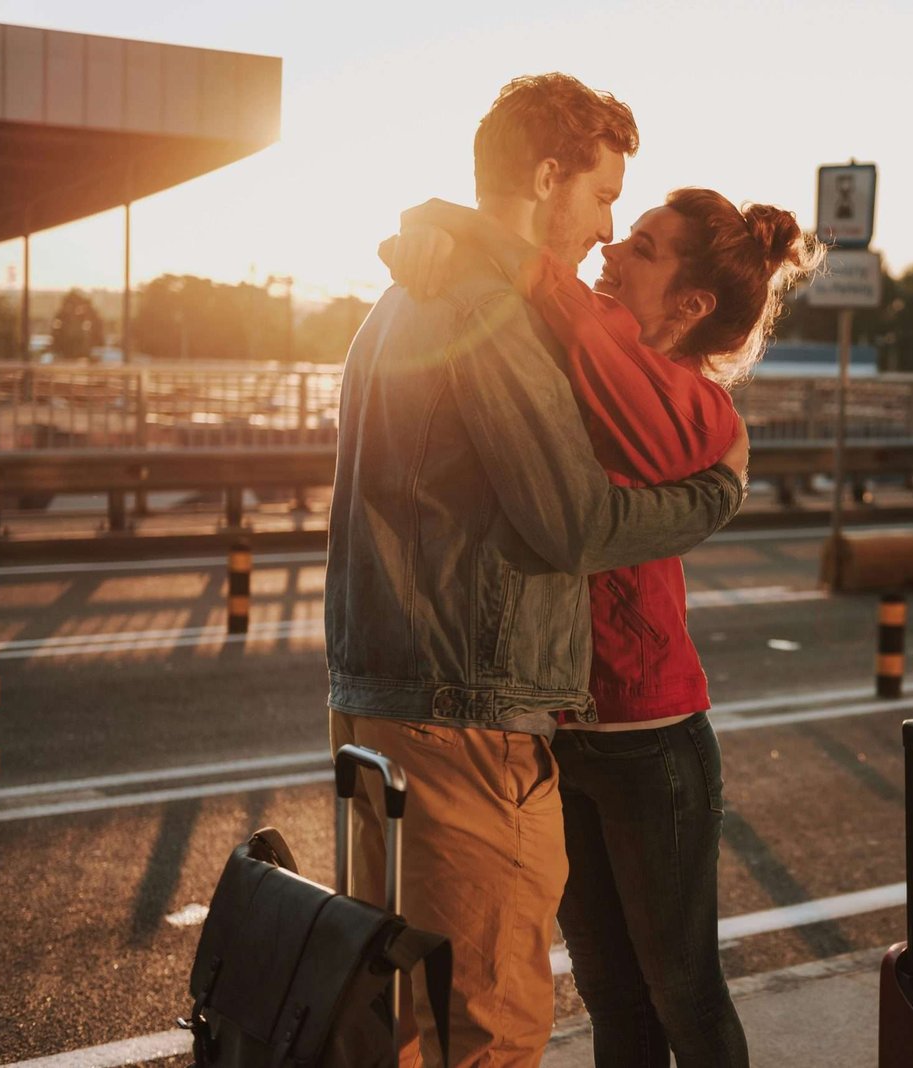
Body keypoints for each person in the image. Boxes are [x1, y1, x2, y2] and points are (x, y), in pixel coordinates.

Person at [325, 73, 750, 1068]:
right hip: (464, 719)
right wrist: (715, 495)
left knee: (412, 1023)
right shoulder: (485, 306)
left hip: (395, 707)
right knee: (490, 1027)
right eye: (604, 199)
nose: (604, 231)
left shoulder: (410, 293)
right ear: (550, 175)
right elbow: (569, 522)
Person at [383, 187, 822, 1066]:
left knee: (684, 993)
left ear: (692, 306)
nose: (614, 250)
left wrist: (460, 226)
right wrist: (431, 242)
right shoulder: (588, 354)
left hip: (653, 742)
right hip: (566, 733)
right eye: (625, 232)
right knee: (612, 997)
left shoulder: (692, 407)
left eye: (646, 248)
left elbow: (581, 329)